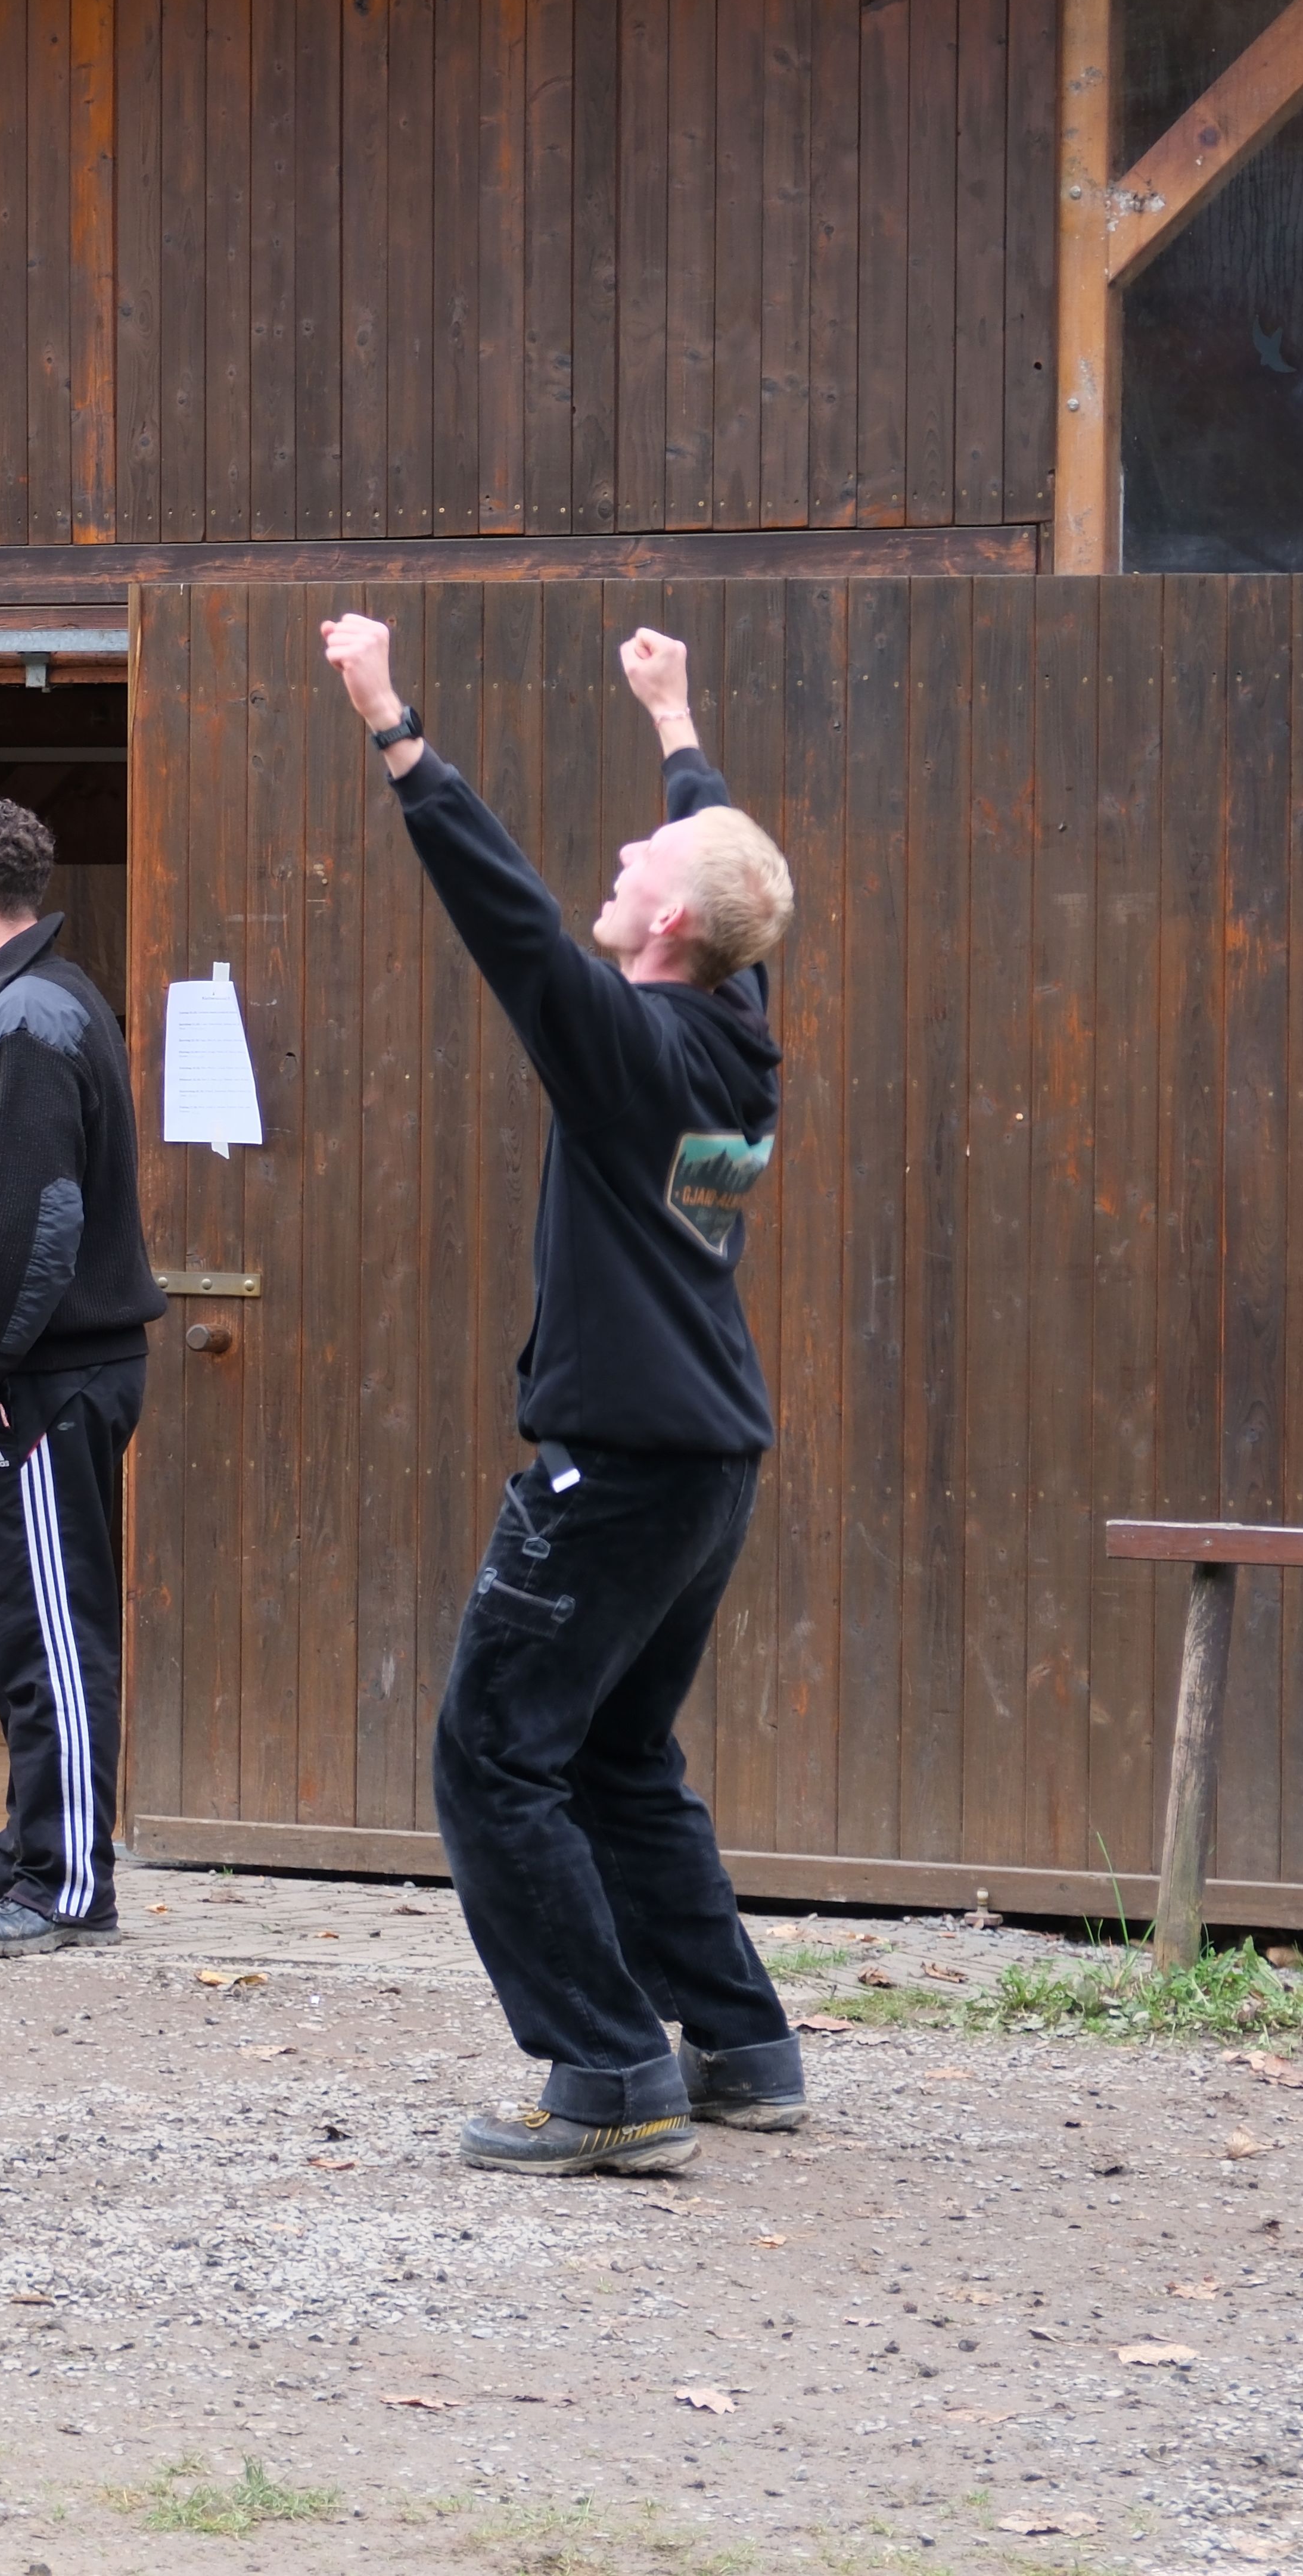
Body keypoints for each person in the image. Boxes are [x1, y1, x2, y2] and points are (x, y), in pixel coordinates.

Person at [323, 610, 804, 2178]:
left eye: (642, 862)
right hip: (707, 1463)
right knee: (617, 1756)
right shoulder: (737, 1027)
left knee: (494, 1756)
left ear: (668, 926)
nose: (622, 857)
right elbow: (723, 868)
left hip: (617, 1470)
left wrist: (395, 725)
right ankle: (739, 2043)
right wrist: (676, 720)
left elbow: (512, 918)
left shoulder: (627, 1050)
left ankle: (609, 2071)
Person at [0, 796, 162, 1959]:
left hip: (49, 1383)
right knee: (11, 1621)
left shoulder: (30, 1022)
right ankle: (26, 1854)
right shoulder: (24, 1006)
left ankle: (67, 1884)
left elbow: (38, 1226)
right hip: (35, 1376)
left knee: (53, 1629)